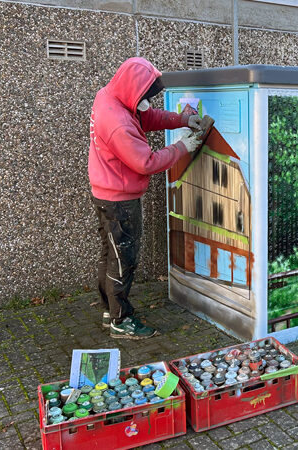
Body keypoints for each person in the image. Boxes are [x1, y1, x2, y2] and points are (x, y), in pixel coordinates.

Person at [88, 57, 211, 339]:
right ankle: (121, 320)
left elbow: (148, 117)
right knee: (124, 259)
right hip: (120, 200)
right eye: (145, 94)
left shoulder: (110, 97)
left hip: (106, 192)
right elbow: (146, 162)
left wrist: (181, 119)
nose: (147, 100)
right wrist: (184, 146)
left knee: (111, 253)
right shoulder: (117, 122)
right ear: (133, 89)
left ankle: (110, 310)